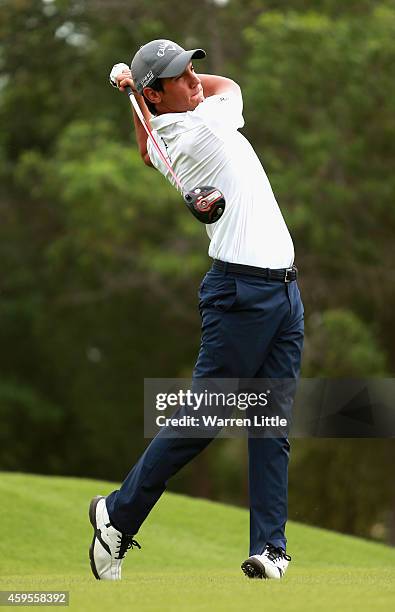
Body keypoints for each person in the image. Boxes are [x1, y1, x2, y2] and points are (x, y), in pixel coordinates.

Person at [89, 39, 304, 582]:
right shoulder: (206, 126)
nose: (195, 82)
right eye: (181, 78)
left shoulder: (166, 134)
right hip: (242, 296)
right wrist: (142, 94)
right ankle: (117, 515)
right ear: (158, 96)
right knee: (203, 418)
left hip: (281, 294)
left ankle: (270, 549)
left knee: (270, 424)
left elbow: (145, 150)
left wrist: (137, 97)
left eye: (193, 72)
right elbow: (229, 87)